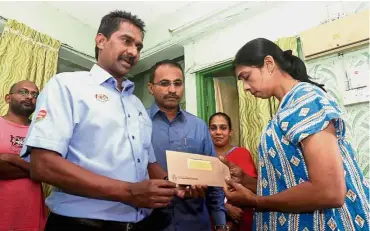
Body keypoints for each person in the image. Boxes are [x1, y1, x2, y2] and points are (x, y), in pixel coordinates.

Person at [20, 11, 187, 231]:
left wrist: (174, 185)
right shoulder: (67, 86)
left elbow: (148, 162)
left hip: (138, 224)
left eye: (138, 46)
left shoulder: (136, 104)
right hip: (79, 225)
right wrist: (129, 192)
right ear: (101, 41)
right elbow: (42, 165)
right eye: (126, 41)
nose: (133, 52)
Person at [221, 38, 370, 231]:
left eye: (247, 76)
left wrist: (256, 201)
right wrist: (247, 182)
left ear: (269, 64)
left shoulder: (305, 100)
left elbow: (329, 192)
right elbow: (290, 181)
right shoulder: (286, 109)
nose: (246, 87)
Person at [143, 59, 228, 231]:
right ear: (151, 88)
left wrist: (220, 222)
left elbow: (214, 180)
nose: (172, 90)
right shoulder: (139, 123)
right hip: (149, 222)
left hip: (195, 221)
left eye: (178, 83)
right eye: (165, 83)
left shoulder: (198, 126)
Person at [0, 80, 47, 231]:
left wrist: (12, 159)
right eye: (23, 92)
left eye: (34, 94)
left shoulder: (41, 132)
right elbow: (44, 170)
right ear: (8, 98)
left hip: (29, 216)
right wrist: (36, 169)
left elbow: (49, 170)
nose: (29, 97)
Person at [209, 112, 257, 231]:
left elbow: (255, 188)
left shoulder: (242, 153)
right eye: (213, 128)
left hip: (240, 216)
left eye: (223, 128)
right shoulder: (203, 156)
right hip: (210, 218)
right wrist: (224, 207)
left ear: (230, 132)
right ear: (208, 131)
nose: (218, 132)